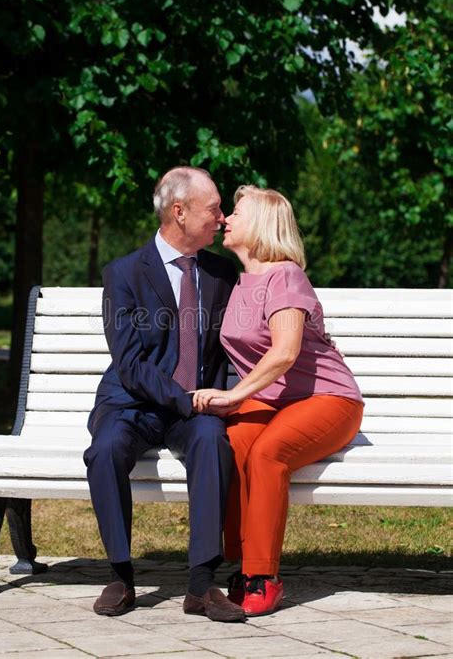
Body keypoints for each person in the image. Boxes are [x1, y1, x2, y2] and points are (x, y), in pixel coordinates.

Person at [193, 185, 364, 617]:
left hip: (328, 398)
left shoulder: (285, 275)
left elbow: (285, 352)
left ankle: (262, 578)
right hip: (273, 400)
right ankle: (239, 561)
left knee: (269, 453)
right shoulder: (239, 280)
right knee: (232, 447)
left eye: (236, 211)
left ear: (262, 225)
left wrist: (233, 395)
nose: (226, 218)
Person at [84, 167, 245, 623]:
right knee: (106, 449)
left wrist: (223, 396)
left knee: (214, 442)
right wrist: (185, 399)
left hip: (194, 409)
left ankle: (200, 586)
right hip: (132, 402)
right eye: (213, 208)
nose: (221, 217)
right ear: (180, 211)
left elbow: (235, 344)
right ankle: (120, 576)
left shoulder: (220, 272)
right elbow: (130, 364)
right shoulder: (125, 274)